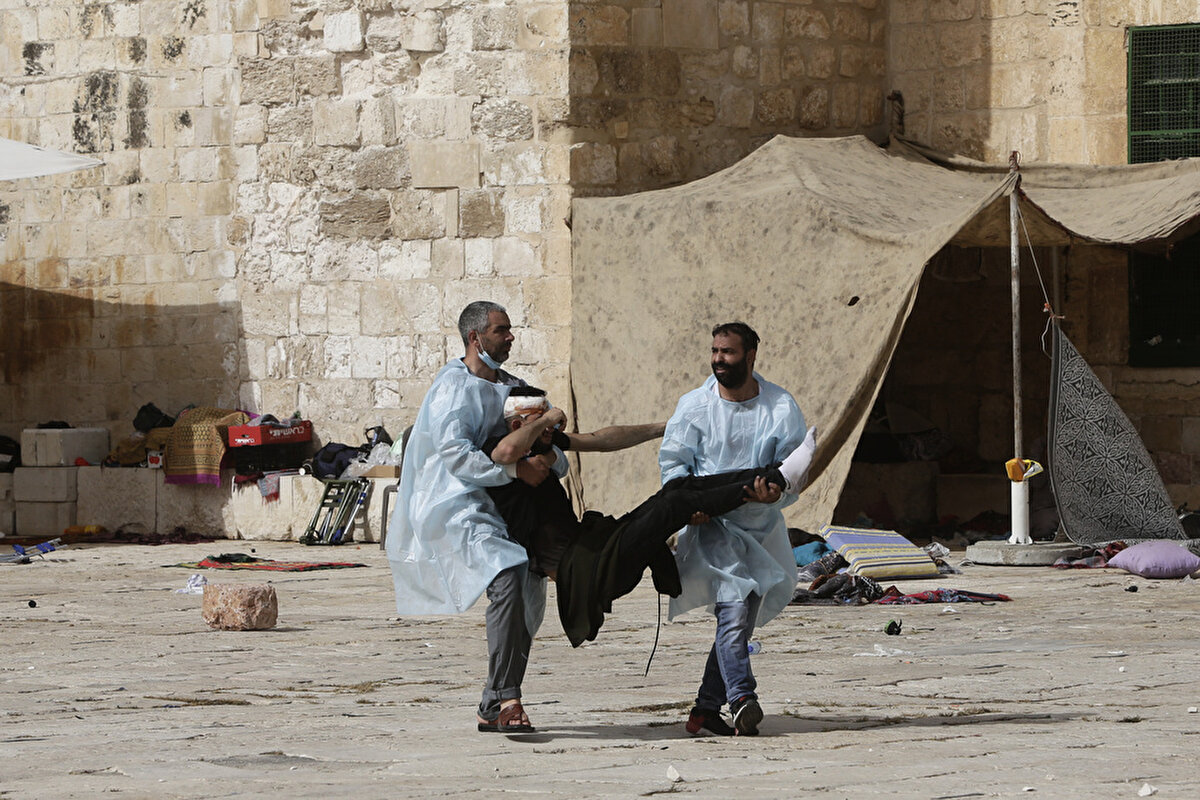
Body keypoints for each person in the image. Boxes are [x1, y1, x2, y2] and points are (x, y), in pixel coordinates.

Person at [482, 388, 817, 651]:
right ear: (516, 425)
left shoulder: (541, 447)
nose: (552, 429)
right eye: (540, 422)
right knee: (674, 501)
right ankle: (778, 478)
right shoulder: (501, 452)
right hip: (583, 571)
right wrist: (545, 420)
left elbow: (602, 440)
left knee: (678, 491)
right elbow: (506, 453)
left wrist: (666, 427)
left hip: (595, 549)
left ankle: (776, 477)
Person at [385, 301, 564, 735]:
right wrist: (512, 469)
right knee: (508, 571)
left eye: (509, 329)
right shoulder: (452, 387)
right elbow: (454, 454)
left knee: (525, 593)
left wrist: (545, 461)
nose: (510, 337)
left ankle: (492, 701)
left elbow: (548, 445)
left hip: (509, 503)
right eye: (501, 330)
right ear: (474, 337)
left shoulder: (515, 388)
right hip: (455, 501)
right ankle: (509, 701)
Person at [660, 321, 815, 737]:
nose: (717, 360)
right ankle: (743, 697)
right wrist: (687, 505)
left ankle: (704, 710)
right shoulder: (694, 405)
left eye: (727, 352)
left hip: (761, 529)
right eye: (714, 351)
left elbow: (793, 470)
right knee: (733, 609)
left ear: (750, 356)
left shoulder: (780, 407)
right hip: (714, 529)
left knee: (742, 619)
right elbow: (674, 464)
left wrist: (775, 496)